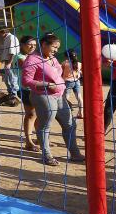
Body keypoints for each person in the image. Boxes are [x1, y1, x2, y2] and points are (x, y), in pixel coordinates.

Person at [22, 33, 84, 166]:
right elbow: (26, 81)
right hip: (43, 96)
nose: (56, 50)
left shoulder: (53, 59)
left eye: (57, 48)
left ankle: (75, 153)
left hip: (59, 96)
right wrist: (46, 84)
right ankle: (46, 155)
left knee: (70, 123)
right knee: (45, 125)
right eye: (54, 47)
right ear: (44, 45)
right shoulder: (32, 60)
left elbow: (58, 75)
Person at [16, 36, 40, 152]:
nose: (32, 47)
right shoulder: (20, 57)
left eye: (35, 45)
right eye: (30, 44)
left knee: (38, 115)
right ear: (22, 45)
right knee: (31, 114)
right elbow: (29, 68)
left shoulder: (34, 56)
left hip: (37, 89)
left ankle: (39, 138)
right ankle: (28, 142)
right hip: (26, 90)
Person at [0, 29, 20, 98]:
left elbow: (12, 52)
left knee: (12, 77)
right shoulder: (7, 38)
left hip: (11, 61)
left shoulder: (11, 38)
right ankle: (10, 93)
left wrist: (9, 63)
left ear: (3, 32)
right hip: (7, 61)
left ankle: (14, 94)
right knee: (7, 79)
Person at [62, 48, 83, 119]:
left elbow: (61, 72)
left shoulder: (65, 63)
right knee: (79, 97)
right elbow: (81, 73)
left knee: (65, 98)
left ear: (66, 56)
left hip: (67, 82)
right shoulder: (79, 64)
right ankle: (81, 113)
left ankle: (67, 112)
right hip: (76, 81)